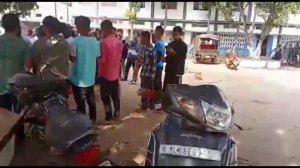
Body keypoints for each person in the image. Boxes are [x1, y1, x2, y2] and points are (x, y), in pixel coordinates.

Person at [69, 16, 100, 124]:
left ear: (78, 27)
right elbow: (97, 57)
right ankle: (93, 122)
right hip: (90, 77)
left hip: (77, 78)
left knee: (80, 103)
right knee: (91, 101)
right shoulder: (95, 42)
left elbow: (72, 58)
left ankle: (82, 125)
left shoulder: (74, 42)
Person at [0, 13, 31, 110]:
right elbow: (28, 65)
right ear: (17, 25)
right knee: (17, 115)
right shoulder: (24, 44)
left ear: (3, 25)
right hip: (17, 84)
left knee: (3, 116)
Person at [35, 16, 70, 98]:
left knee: (46, 108)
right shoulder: (65, 42)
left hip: (45, 82)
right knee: (61, 107)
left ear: (45, 28)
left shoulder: (39, 43)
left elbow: (34, 61)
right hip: (62, 81)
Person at [98, 20, 123, 121]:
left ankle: (108, 115)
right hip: (115, 73)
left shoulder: (103, 42)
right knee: (115, 95)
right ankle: (117, 113)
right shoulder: (119, 42)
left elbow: (102, 59)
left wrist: (97, 60)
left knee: (105, 96)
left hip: (105, 74)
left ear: (105, 29)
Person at [163, 26, 187, 91]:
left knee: (175, 92)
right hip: (169, 71)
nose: (174, 36)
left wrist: (173, 53)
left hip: (177, 72)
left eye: (176, 34)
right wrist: (164, 59)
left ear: (180, 34)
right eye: (173, 34)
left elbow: (181, 59)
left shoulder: (183, 46)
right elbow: (168, 58)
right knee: (166, 90)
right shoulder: (170, 44)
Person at [138, 31, 157, 112]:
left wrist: (139, 59)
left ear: (146, 39)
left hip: (146, 73)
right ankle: (151, 105)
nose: (140, 40)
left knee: (144, 90)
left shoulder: (147, 49)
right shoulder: (152, 48)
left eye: (141, 38)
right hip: (152, 73)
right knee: (150, 89)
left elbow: (146, 62)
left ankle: (144, 106)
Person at [153, 26, 166, 92]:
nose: (154, 33)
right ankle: (158, 98)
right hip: (159, 66)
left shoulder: (158, 43)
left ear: (158, 33)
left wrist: (153, 64)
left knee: (156, 83)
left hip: (157, 66)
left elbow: (158, 56)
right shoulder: (161, 42)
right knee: (158, 82)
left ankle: (157, 99)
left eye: (155, 31)